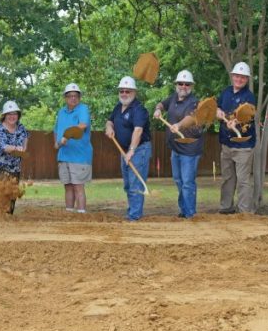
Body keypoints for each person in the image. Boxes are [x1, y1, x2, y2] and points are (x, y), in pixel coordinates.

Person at [154, 70, 204, 218]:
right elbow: (162, 104)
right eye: (180, 83)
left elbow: (191, 118)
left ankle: (190, 214)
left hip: (190, 149)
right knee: (178, 180)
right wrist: (158, 109)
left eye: (186, 84)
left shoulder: (195, 102)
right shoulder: (174, 98)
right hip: (175, 148)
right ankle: (184, 210)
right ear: (176, 84)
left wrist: (179, 125)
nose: (183, 86)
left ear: (191, 86)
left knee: (188, 182)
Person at [105, 76, 152, 221]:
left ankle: (134, 216)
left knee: (135, 184)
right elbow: (109, 121)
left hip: (139, 150)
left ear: (134, 93)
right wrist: (109, 127)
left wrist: (131, 151)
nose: (124, 94)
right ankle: (132, 212)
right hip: (123, 150)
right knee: (127, 184)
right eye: (122, 91)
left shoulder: (139, 110)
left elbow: (138, 131)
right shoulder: (118, 107)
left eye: (128, 91)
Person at [215, 61, 257, 214]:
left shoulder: (249, 96)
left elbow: (250, 114)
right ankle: (226, 207)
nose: (239, 79)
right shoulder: (226, 92)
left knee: (243, 180)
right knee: (227, 178)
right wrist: (218, 111)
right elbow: (218, 106)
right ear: (232, 76)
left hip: (243, 146)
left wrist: (236, 121)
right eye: (237, 76)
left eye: (243, 77)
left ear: (247, 79)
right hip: (226, 143)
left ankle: (245, 212)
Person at [53, 83, 93, 213]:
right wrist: (56, 142)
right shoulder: (61, 112)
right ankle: (69, 213)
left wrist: (67, 136)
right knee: (68, 186)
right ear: (65, 98)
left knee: (78, 187)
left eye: (75, 96)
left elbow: (82, 125)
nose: (73, 98)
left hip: (79, 156)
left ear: (79, 97)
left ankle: (81, 215)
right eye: (70, 96)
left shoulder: (83, 109)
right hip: (64, 155)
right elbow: (56, 129)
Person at [0, 100, 29, 214]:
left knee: (11, 196)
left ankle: (8, 223)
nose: (12, 116)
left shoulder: (21, 128)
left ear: (18, 115)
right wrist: (16, 148)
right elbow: (4, 147)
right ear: (4, 116)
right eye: (9, 114)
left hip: (14, 168)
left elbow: (25, 141)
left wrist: (23, 149)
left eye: (14, 113)